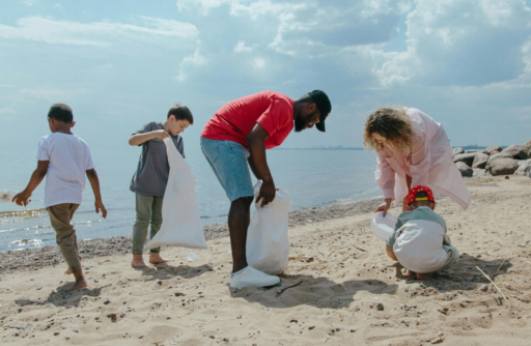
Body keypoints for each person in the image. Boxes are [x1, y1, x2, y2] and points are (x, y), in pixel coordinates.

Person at [201, 90, 332, 289]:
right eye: (314, 120)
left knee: (243, 199)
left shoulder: (284, 112)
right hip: (223, 137)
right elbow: (255, 138)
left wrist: (266, 181)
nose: (310, 125)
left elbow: (254, 149)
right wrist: (267, 180)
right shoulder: (284, 107)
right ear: (311, 107)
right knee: (242, 199)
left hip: (225, 139)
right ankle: (240, 272)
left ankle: (242, 268)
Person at [12, 103, 107, 290]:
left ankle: (80, 278)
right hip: (75, 197)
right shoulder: (82, 143)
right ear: (72, 123)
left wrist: (26, 192)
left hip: (57, 196)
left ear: (52, 121)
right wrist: (98, 199)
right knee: (66, 232)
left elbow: (41, 171)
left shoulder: (48, 140)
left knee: (64, 234)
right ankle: (74, 266)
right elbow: (92, 173)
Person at [364, 107, 471, 215]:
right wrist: (387, 201)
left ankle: (423, 213)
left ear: (394, 134)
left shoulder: (415, 133)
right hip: (404, 143)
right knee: (408, 180)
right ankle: (412, 213)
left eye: (384, 140)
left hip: (433, 140)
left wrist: (414, 198)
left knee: (422, 185)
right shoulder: (380, 143)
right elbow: (385, 168)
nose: (382, 144)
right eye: (378, 140)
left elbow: (419, 169)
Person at [128, 104, 194, 269]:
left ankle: (154, 254)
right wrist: (154, 135)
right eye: (181, 126)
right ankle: (136, 257)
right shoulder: (153, 127)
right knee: (142, 220)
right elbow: (132, 140)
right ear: (172, 118)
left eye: (185, 128)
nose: (182, 130)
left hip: (164, 188)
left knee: (158, 221)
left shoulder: (178, 140)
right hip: (144, 184)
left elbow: (179, 165)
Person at [386, 185, 459, 279]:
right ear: (432, 204)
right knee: (453, 251)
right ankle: (426, 271)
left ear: (412, 205)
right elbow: (441, 242)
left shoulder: (404, 216)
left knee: (406, 241)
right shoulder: (439, 220)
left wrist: (394, 256)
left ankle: (412, 268)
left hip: (405, 261)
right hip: (431, 264)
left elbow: (391, 242)